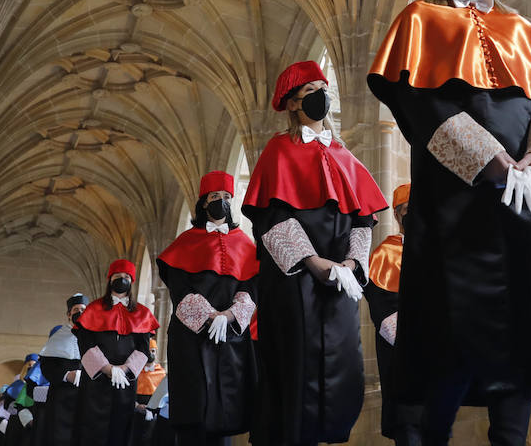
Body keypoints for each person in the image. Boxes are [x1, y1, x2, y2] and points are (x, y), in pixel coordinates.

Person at [367, 0, 531, 446]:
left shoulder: (520, 27)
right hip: (458, 204)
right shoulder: (418, 20)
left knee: (522, 328)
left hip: (529, 199)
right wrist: (496, 166)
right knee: (454, 334)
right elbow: (422, 107)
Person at [242, 60, 387, 446]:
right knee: (296, 365)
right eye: (310, 92)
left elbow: (363, 219)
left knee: (343, 362)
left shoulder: (343, 153)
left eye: (324, 89)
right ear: (291, 104)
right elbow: (271, 217)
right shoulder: (277, 151)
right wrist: (311, 262)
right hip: (295, 279)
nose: (321, 97)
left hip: (340, 279)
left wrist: (353, 263)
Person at [156, 170, 258, 446]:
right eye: (215, 196)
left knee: (226, 414)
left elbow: (251, 288)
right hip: (192, 337)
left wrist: (230, 316)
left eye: (226, 197)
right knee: (195, 411)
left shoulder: (245, 245)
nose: (221, 202)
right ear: (203, 202)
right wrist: (210, 316)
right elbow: (179, 288)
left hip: (230, 337)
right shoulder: (185, 243)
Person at [74, 259, 160, 446]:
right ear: (109, 279)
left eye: (126, 277)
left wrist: (124, 369)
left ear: (132, 281)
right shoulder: (93, 309)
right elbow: (85, 344)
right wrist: (108, 368)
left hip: (126, 381)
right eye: (117, 276)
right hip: (96, 380)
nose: (122, 279)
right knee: (92, 429)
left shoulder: (142, 313)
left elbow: (144, 349)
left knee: (121, 429)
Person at [362, 183, 421, 446]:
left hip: (438, 364)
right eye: (409, 209)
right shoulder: (385, 253)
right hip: (403, 359)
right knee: (409, 431)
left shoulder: (437, 252)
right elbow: (382, 311)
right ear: (398, 215)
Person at [32, 294, 87, 446]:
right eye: (76, 309)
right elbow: (46, 367)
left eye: (83, 309)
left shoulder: (94, 337)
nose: (80, 312)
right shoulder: (58, 337)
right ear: (69, 314)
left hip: (85, 397)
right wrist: (66, 375)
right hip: (60, 398)